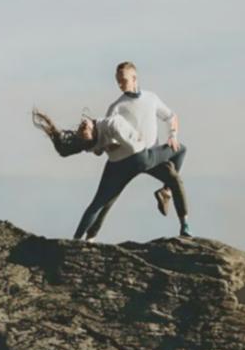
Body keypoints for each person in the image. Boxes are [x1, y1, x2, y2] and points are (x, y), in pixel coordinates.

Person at [72, 61, 190, 241]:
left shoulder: (151, 98)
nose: (120, 84)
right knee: (107, 201)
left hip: (151, 157)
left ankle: (180, 217)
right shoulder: (116, 107)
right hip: (127, 160)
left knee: (175, 174)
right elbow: (107, 141)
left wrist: (172, 135)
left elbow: (171, 116)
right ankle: (89, 238)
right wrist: (110, 145)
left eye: (123, 80)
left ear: (134, 78)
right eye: (117, 81)